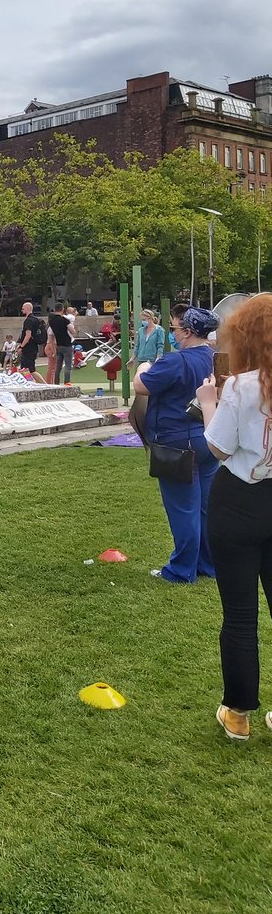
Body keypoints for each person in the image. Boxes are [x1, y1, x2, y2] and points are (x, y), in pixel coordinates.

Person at [197, 294, 272, 740]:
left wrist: (210, 400)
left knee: (240, 614)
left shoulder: (241, 386)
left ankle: (238, 713)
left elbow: (218, 447)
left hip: (239, 501)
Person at [133, 306, 219, 583]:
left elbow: (141, 386)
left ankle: (182, 570)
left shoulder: (177, 361)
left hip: (176, 442)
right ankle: (208, 563)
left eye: (175, 328)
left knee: (183, 508)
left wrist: (144, 366)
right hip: (207, 438)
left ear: (188, 331)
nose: (173, 333)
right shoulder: (216, 357)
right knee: (206, 507)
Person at [48, 303, 74, 385]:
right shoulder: (65, 320)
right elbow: (72, 331)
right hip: (67, 344)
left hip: (58, 344)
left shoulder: (51, 321)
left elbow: (51, 336)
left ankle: (56, 382)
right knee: (67, 365)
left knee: (58, 366)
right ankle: (67, 382)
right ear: (62, 309)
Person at [17, 301, 43, 376]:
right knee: (26, 370)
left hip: (29, 348)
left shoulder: (28, 320)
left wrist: (21, 346)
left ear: (27, 309)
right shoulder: (36, 319)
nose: (22, 310)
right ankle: (30, 383)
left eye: (23, 308)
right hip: (33, 347)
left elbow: (28, 335)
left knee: (30, 370)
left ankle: (44, 384)